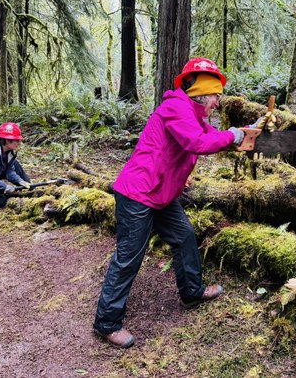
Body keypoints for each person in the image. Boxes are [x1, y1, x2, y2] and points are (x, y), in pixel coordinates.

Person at [93, 57, 249, 348]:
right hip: (138, 194)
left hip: (161, 194)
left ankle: (191, 292)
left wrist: (244, 133)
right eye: (215, 95)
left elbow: (211, 136)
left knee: (184, 236)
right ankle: (106, 323)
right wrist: (233, 135)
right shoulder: (176, 107)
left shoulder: (193, 115)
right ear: (201, 92)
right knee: (129, 258)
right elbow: (197, 143)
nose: (218, 102)